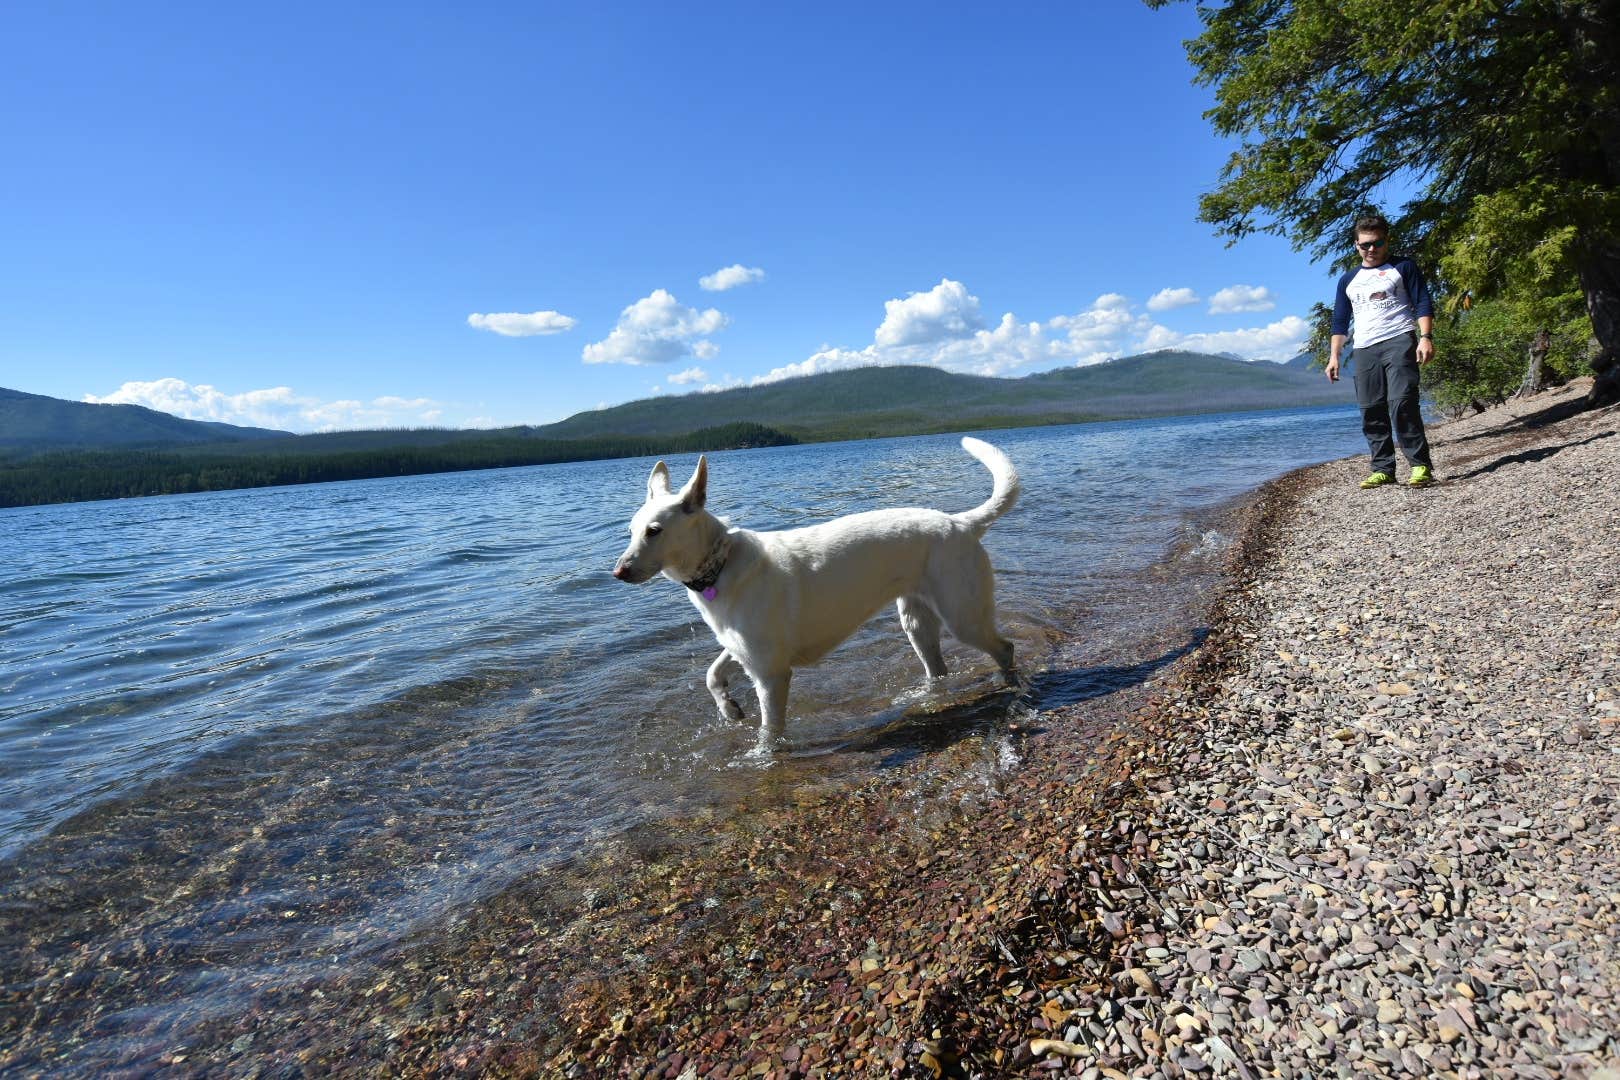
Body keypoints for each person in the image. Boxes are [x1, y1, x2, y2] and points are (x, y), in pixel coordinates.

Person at [1325, 214, 1436, 488]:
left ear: (1386, 241)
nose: (1371, 249)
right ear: (1356, 245)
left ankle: (1420, 466)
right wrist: (1334, 356)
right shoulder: (1348, 280)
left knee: (1402, 402)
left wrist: (1425, 337)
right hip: (1364, 348)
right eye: (1365, 245)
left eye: (1377, 243)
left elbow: (1422, 301)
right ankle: (1383, 468)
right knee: (1371, 409)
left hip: (1399, 339)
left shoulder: (1403, 267)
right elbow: (1340, 320)